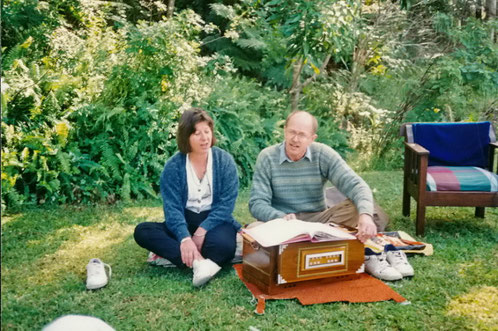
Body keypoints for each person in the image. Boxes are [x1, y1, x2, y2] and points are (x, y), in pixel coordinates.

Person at [249, 110, 413, 281]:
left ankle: (373, 251)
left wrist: (365, 215)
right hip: (283, 224)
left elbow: (356, 185)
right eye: (292, 132)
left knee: (368, 212)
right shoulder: (267, 157)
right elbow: (257, 203)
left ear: (312, 138)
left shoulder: (322, 154)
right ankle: (357, 248)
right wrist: (280, 217)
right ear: (285, 130)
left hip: (320, 221)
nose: (295, 139)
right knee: (253, 230)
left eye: (302, 135)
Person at [134, 108, 241, 287]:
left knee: (223, 246)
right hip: (185, 219)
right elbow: (172, 208)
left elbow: (226, 205)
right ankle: (199, 262)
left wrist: (201, 231)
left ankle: (188, 258)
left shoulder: (225, 161)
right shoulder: (173, 167)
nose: (204, 138)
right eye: (197, 133)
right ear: (186, 137)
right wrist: (185, 238)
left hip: (214, 220)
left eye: (207, 132)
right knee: (143, 231)